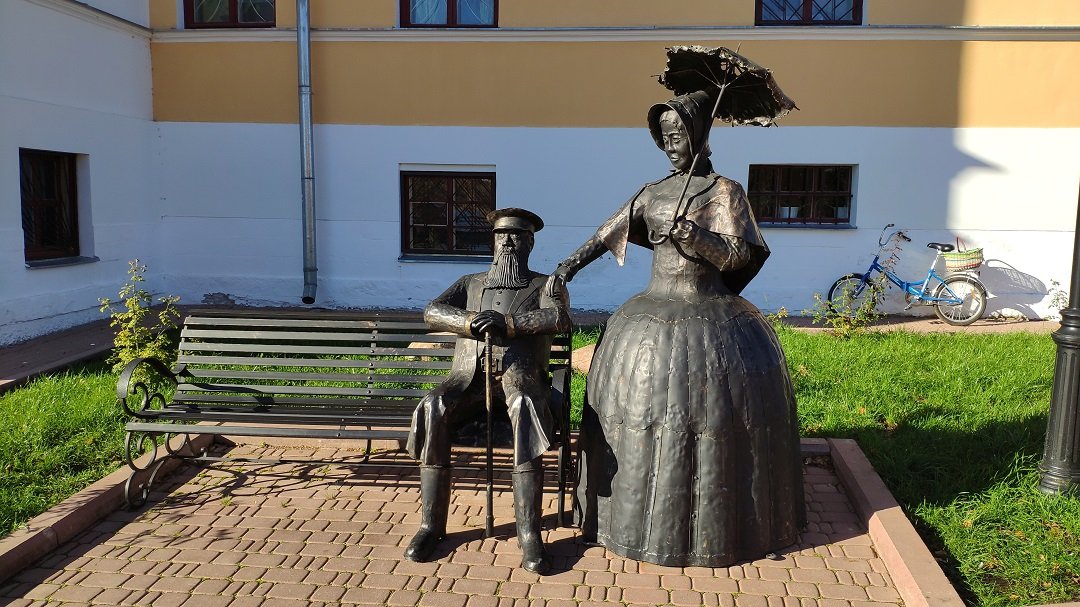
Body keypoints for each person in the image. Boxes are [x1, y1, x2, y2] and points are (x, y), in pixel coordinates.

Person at [551, 91, 805, 567]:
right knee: (635, 413)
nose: (671, 145)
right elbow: (607, 232)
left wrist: (697, 236)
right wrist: (567, 267)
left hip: (714, 318)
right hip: (649, 319)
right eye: (664, 137)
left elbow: (740, 256)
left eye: (679, 135)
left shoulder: (724, 191)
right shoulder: (652, 192)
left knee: (716, 419)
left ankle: (735, 525)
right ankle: (617, 520)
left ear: (701, 136)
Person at [405, 208, 572, 573]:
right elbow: (432, 311)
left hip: (519, 378)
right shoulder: (470, 283)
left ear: (529, 243)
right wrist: (467, 321)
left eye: (516, 236)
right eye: (501, 236)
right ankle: (430, 526)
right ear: (493, 242)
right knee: (433, 406)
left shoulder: (545, 284)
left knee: (525, 406)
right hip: (468, 379)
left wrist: (509, 323)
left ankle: (529, 534)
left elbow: (558, 317)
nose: (507, 242)